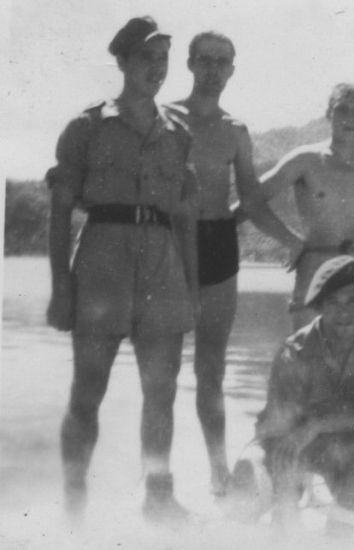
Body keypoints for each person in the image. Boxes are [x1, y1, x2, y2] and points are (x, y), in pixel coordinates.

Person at [46, 16, 197, 522]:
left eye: (163, 59)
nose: (157, 69)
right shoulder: (87, 126)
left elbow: (184, 219)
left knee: (163, 391)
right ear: (123, 62)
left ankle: (157, 495)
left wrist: (190, 289)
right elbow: (61, 212)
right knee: (87, 390)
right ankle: (73, 508)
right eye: (147, 59)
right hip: (102, 264)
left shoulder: (178, 132)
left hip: (162, 266)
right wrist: (60, 287)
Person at [166, 31, 300, 496]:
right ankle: (156, 474)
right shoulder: (164, 119)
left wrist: (293, 241)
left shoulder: (235, 131)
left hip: (218, 242)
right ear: (189, 63)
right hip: (167, 244)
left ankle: (217, 470)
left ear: (232, 70)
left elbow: (253, 202)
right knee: (160, 365)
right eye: (204, 59)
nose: (213, 69)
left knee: (211, 368)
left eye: (222, 61)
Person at [255, 255, 354, 525]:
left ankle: (339, 521)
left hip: (338, 438)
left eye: (352, 301)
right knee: (272, 504)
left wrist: (318, 425)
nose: (344, 313)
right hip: (293, 441)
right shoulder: (294, 353)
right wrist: (286, 489)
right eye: (333, 303)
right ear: (319, 307)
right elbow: (278, 432)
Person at [257, 83, 354, 329]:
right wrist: (291, 240)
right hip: (314, 264)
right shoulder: (306, 159)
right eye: (342, 110)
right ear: (329, 114)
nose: (350, 118)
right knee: (307, 357)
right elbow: (253, 199)